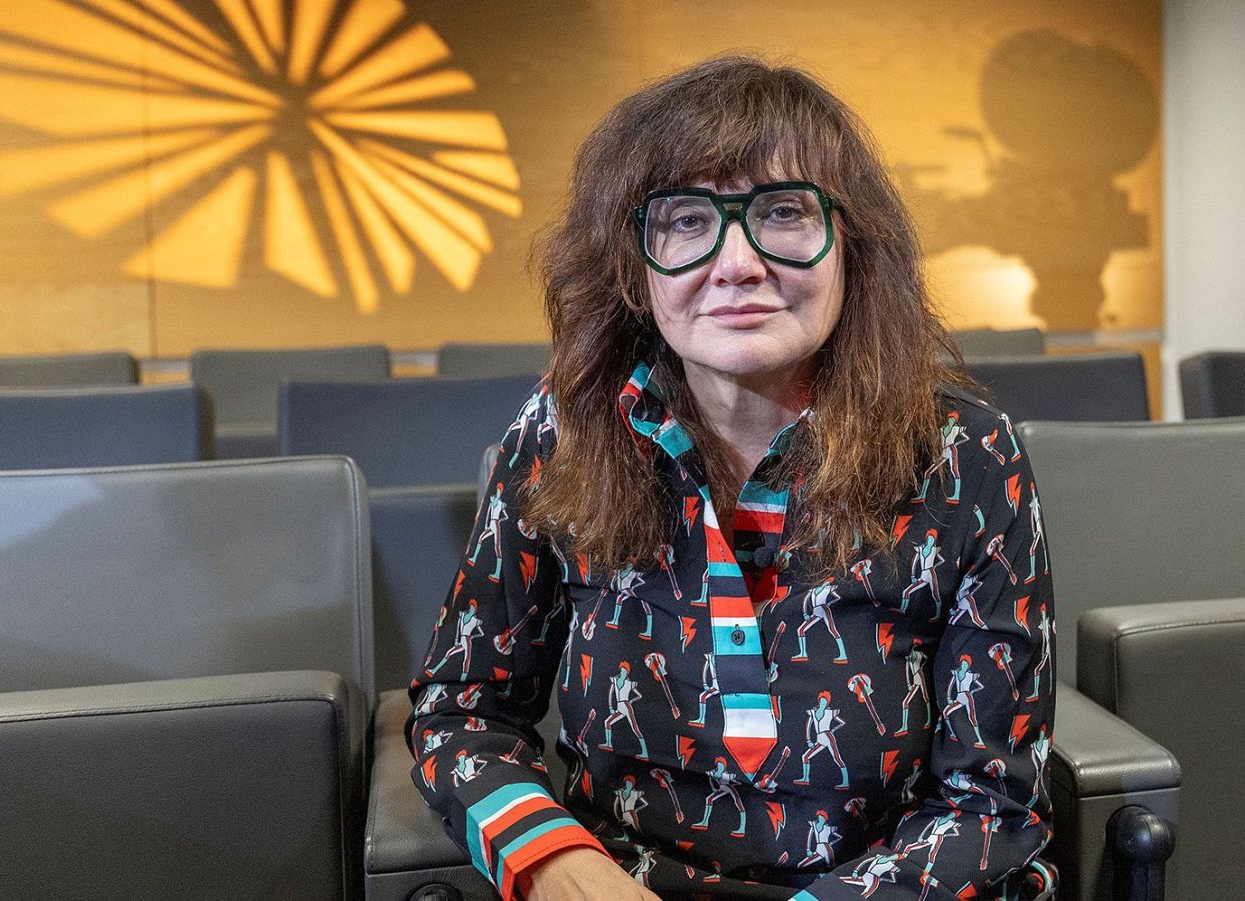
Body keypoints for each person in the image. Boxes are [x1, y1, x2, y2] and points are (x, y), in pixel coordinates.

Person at [408, 55, 1056, 901]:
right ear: (633, 266)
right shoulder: (564, 428)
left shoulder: (968, 452)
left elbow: (993, 804)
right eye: (686, 220)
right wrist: (560, 865)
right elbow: (462, 709)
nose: (738, 262)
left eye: (783, 211)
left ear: (853, 245)